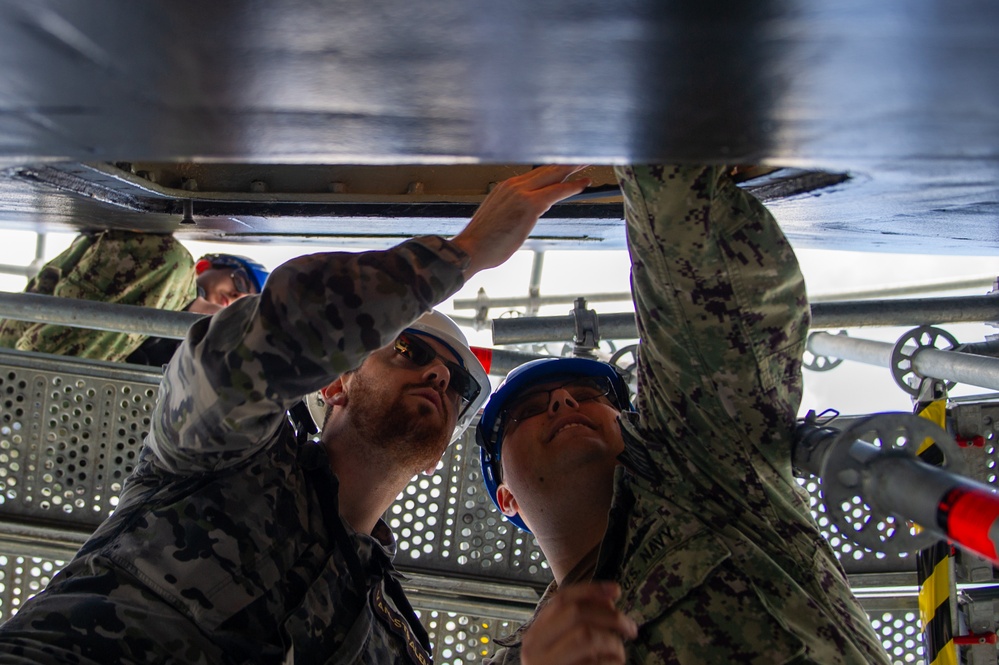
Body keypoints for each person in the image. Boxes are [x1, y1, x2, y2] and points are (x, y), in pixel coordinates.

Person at [0, 165, 589, 664]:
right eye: (408, 351)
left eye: (458, 382)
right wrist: (459, 255)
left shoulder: (394, 638)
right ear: (336, 384)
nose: (439, 375)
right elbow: (246, 352)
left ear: (438, 457)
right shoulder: (224, 457)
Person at [476, 165, 891, 664]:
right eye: (526, 410)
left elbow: (708, 298)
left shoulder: (709, 472)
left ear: (630, 432)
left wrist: (652, 147)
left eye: (588, 393)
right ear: (507, 499)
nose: (563, 402)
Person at [0, 230, 268, 364]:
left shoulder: (210, 344)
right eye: (240, 281)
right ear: (204, 268)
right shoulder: (167, 267)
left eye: (245, 299)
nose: (236, 295)